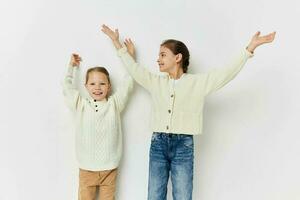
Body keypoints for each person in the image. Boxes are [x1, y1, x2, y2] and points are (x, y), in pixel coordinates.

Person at [102, 24, 275, 200]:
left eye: (163, 55)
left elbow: (225, 73)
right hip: (158, 143)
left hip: (183, 146)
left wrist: (249, 49)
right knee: (154, 195)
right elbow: (134, 69)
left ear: (178, 57)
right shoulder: (156, 81)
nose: (158, 59)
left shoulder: (197, 83)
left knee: (183, 196)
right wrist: (117, 43)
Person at [62, 42, 135, 200]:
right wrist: (71, 67)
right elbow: (66, 88)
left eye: (102, 83)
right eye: (93, 83)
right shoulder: (81, 104)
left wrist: (129, 57)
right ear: (86, 86)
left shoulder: (114, 104)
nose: (97, 87)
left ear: (109, 86)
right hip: (86, 168)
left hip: (109, 168)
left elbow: (128, 84)